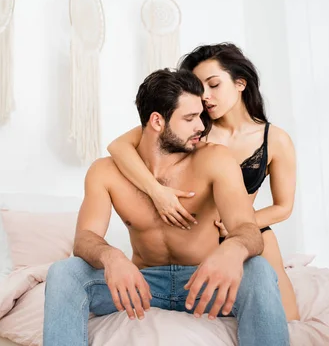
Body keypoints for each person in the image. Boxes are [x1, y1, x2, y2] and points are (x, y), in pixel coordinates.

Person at [43, 69, 289, 346]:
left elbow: (247, 228)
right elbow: (85, 238)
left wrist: (233, 248)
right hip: (142, 285)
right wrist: (111, 257)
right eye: (189, 118)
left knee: (259, 269)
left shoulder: (215, 159)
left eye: (201, 116)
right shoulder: (105, 172)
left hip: (205, 282)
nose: (201, 126)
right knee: (64, 273)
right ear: (157, 121)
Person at [107, 43, 299, 321]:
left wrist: (242, 224)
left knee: (289, 319)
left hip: (248, 230)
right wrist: (157, 191)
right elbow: (118, 147)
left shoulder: (275, 139)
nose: (206, 96)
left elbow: (284, 206)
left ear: (240, 83)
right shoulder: (191, 126)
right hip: (200, 237)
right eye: (200, 88)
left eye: (214, 85)